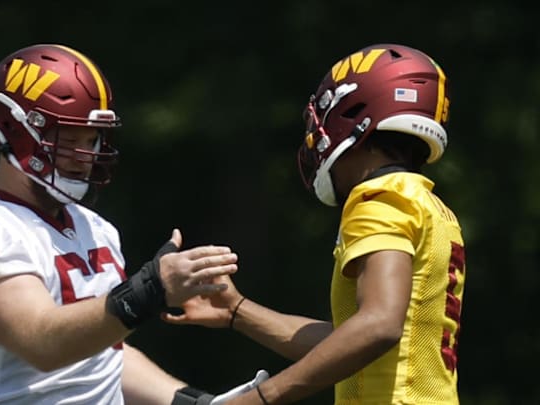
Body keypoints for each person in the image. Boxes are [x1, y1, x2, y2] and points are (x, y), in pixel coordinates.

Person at [0, 43, 264, 404]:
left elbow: (102, 359)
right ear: (16, 129)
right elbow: (43, 343)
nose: (84, 155)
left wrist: (193, 402)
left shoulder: (95, 228)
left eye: (91, 139)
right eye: (68, 138)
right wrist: (150, 290)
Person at [164, 43, 466, 404]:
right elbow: (353, 341)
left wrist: (260, 398)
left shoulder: (378, 198)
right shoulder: (427, 205)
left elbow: (379, 325)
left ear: (356, 114)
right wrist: (238, 311)